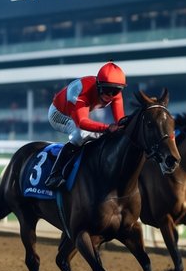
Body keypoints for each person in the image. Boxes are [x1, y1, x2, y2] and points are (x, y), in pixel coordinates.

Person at [43, 61, 127, 189]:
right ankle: (55, 174)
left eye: (115, 91)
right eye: (107, 90)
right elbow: (81, 122)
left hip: (77, 114)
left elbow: (120, 122)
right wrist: (107, 128)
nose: (110, 95)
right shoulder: (81, 90)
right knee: (81, 134)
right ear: (98, 85)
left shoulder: (115, 94)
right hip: (58, 114)